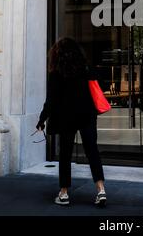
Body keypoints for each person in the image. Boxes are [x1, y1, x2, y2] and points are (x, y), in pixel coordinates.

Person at [36, 37, 107, 207]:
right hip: (87, 115)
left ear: (57, 54)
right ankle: (101, 189)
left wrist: (42, 120)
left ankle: (64, 193)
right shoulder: (85, 68)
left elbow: (51, 100)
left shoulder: (56, 73)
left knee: (65, 155)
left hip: (66, 117)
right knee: (92, 152)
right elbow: (99, 82)